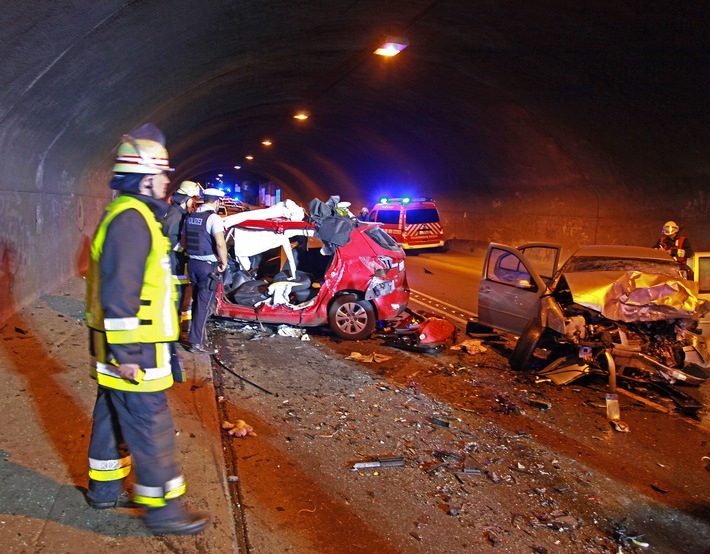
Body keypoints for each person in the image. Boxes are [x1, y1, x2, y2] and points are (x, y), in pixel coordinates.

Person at [84, 124, 209, 535]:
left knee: (112, 418)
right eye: (163, 175)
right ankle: (164, 510)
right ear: (146, 177)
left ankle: (103, 491)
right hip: (136, 349)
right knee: (148, 425)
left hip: (117, 348)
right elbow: (121, 295)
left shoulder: (129, 216)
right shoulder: (132, 221)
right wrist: (130, 356)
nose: (168, 182)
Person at [184, 187, 229, 354]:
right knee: (204, 307)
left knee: (197, 302)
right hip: (207, 269)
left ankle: (199, 338)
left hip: (193, 265)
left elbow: (184, 240)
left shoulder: (191, 216)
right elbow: (220, 243)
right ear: (216, 202)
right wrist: (224, 263)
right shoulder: (214, 218)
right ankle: (196, 343)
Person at [162, 180, 203, 316]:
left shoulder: (178, 213)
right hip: (174, 263)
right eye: (193, 198)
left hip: (177, 261)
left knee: (179, 294)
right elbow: (170, 240)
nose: (194, 202)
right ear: (185, 198)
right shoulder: (176, 215)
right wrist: (187, 247)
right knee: (176, 295)